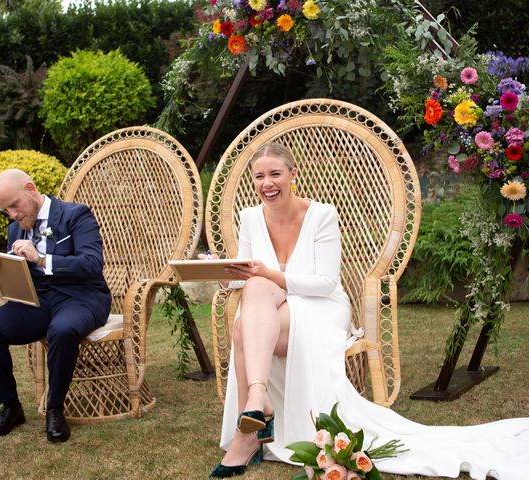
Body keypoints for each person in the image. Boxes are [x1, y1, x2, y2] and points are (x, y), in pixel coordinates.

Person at [209, 143, 529, 479]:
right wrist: (224, 276)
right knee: (253, 299)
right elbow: (244, 278)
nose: (267, 183)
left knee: (245, 324)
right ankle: (259, 402)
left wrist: (267, 274)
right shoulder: (248, 218)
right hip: (271, 304)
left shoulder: (321, 215)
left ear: (293, 174)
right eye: (259, 176)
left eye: (275, 173)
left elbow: (324, 283)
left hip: (320, 306)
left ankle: (248, 435)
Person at [0, 169, 111, 443]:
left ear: (30, 188)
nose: (13, 215)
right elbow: (10, 284)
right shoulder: (15, 228)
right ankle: (11, 406)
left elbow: (92, 264)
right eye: (6, 210)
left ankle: (55, 409)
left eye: (14, 205)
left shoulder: (76, 215)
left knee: (61, 330)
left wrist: (41, 259)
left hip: (82, 297)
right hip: (37, 303)